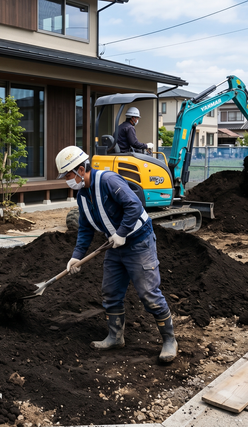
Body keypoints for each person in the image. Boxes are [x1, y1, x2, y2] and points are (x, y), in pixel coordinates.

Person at [55, 145, 177, 362]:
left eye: (68, 175)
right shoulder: (82, 195)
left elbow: (134, 206)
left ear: (81, 170)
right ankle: (115, 336)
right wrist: (77, 256)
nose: (67, 180)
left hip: (138, 242)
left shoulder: (109, 180)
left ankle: (169, 340)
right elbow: (85, 228)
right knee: (111, 292)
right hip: (114, 246)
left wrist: (121, 233)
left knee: (149, 294)